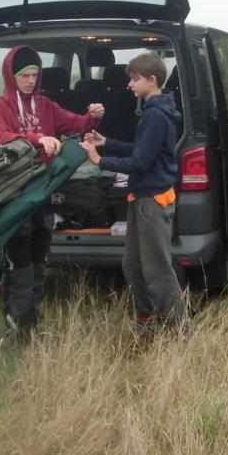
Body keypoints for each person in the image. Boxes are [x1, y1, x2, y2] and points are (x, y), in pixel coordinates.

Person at [0, 46, 105, 336]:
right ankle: (18, 320)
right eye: (24, 75)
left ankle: (29, 315)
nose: (30, 80)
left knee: (39, 252)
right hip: (14, 192)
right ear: (11, 76)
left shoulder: (46, 105)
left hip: (43, 191)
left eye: (34, 75)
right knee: (19, 256)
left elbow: (75, 124)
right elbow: (1, 137)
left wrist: (93, 117)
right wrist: (38, 139)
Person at [80, 52, 186, 332]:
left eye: (135, 79)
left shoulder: (156, 115)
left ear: (152, 80)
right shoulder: (154, 111)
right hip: (142, 199)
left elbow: (139, 163)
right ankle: (146, 319)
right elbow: (141, 151)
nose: (129, 85)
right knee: (133, 264)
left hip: (153, 202)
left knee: (157, 269)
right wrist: (107, 143)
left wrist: (99, 160)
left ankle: (179, 329)